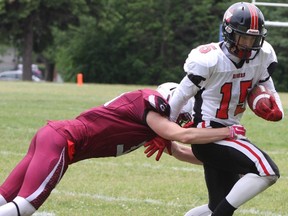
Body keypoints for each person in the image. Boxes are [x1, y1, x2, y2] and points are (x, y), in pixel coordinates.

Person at [0, 83, 246, 216]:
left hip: (53, 137)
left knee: (5, 195)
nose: (181, 120)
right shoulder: (154, 110)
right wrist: (226, 132)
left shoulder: (154, 123)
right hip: (63, 141)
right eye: (181, 116)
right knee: (28, 204)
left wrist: (230, 162)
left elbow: (182, 151)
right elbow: (180, 134)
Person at [167, 2, 284, 216]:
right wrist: (165, 129)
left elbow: (270, 90)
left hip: (228, 134)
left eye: (254, 38)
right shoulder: (209, 59)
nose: (250, 44)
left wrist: (277, 109)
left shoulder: (263, 56)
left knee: (215, 206)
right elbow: (181, 95)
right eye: (245, 37)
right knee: (267, 171)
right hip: (209, 135)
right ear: (229, 33)